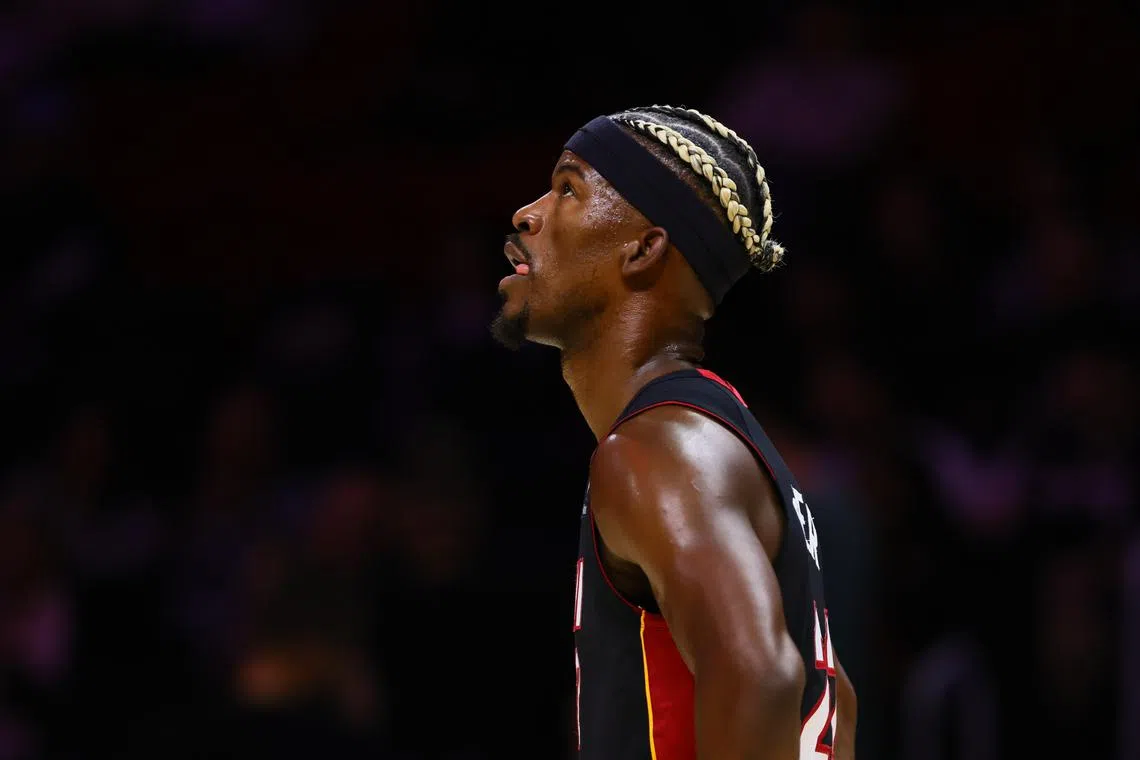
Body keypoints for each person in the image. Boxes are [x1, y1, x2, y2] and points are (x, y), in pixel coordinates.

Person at [491, 105, 857, 760]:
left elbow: (763, 679)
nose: (527, 214)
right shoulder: (714, 433)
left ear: (643, 249)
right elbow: (838, 705)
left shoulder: (656, 449)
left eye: (567, 189)